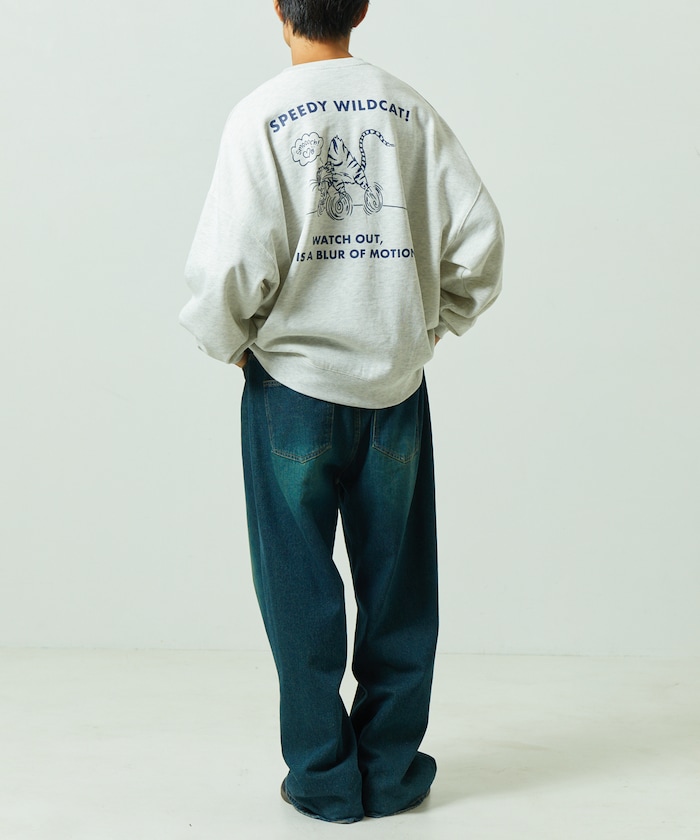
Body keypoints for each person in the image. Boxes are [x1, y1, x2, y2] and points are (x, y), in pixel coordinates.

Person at [179, 0, 504, 824]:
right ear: (361, 8)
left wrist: (234, 344)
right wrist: (431, 325)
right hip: (393, 391)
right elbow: (480, 241)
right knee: (400, 587)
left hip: (291, 390)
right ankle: (389, 775)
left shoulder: (260, 117)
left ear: (278, 9)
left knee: (298, 591)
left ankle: (324, 778)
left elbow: (228, 266)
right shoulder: (409, 109)